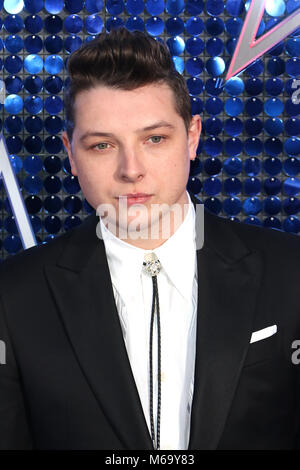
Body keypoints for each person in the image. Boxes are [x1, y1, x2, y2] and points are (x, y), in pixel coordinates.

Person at [0, 27, 300, 451]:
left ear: (192, 137)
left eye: (154, 139)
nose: (131, 169)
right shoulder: (12, 297)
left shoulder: (291, 273)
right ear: (70, 153)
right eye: (103, 146)